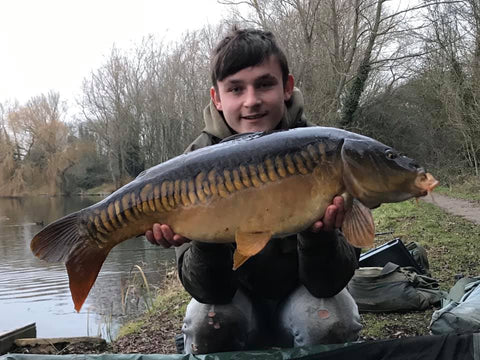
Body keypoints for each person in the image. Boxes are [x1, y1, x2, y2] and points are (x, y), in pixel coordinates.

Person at [145, 27, 362, 354]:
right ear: (217, 98)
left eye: (264, 84)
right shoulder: (192, 165)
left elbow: (329, 284)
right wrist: (204, 235)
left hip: (301, 294)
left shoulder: (328, 153)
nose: (252, 101)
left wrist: (318, 235)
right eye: (235, 89)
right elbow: (208, 291)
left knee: (331, 318)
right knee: (207, 319)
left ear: (287, 87)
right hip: (234, 299)